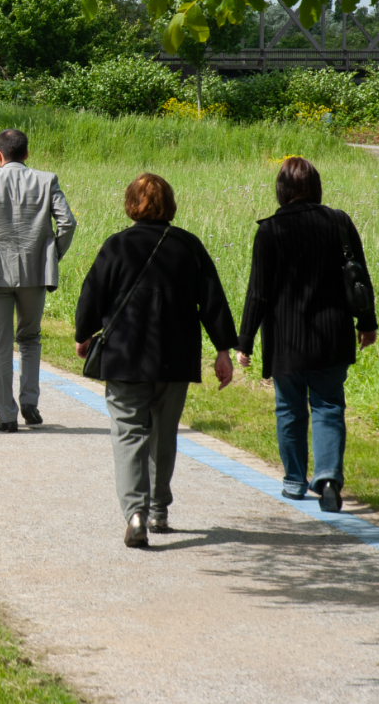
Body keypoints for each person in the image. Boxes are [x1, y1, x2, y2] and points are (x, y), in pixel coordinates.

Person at [75, 173, 236, 548]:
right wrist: (223, 349)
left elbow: (92, 294)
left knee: (129, 432)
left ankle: (135, 513)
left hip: (125, 356)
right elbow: (213, 300)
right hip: (175, 358)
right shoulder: (188, 246)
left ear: (131, 204)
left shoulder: (117, 246)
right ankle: (159, 509)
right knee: (164, 434)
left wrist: (84, 335)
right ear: (170, 204)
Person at [237, 157, 378, 513]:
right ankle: (329, 479)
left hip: (286, 340)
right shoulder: (339, 222)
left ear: (281, 190)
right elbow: (359, 275)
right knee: (329, 406)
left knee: (289, 409)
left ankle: (294, 481)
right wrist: (367, 323)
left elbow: (258, 292)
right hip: (332, 336)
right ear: (315, 186)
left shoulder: (270, 230)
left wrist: (245, 342)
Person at [0, 128, 77, 431]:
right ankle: (30, 401)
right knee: (30, 338)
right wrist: (51, 257)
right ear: (26, 154)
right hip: (35, 272)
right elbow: (68, 223)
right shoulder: (47, 180)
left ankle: (6, 415)